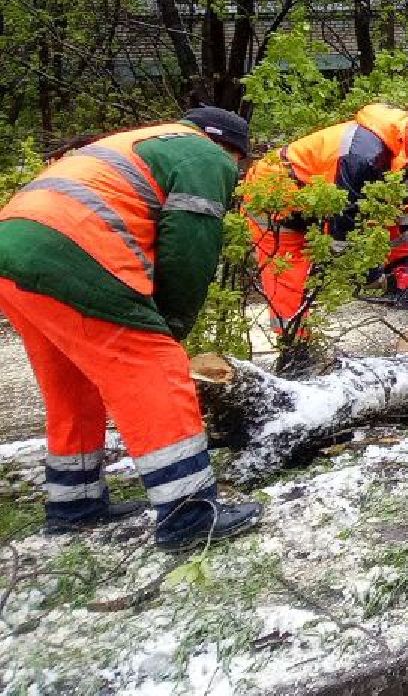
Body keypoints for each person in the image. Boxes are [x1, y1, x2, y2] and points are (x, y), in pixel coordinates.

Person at [0, 107, 263, 551]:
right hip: (72, 249)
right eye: (240, 166)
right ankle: (189, 513)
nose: (234, 176)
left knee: (73, 384)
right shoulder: (205, 156)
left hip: (14, 248)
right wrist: (172, 323)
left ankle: (74, 504)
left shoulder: (144, 141)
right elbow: (189, 246)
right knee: (156, 368)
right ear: (231, 151)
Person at [241, 105, 408, 359]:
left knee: (396, 237)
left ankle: (405, 296)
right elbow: (345, 226)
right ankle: (295, 351)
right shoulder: (361, 155)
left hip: (327, 197)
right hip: (278, 196)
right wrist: (368, 273)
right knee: (288, 280)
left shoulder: (403, 149)